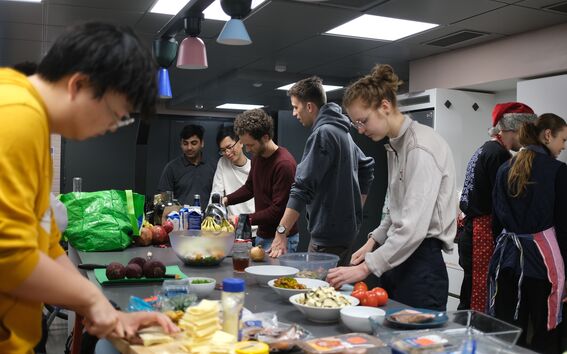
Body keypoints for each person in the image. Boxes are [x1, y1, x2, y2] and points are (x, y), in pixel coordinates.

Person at [0, 22, 178, 353]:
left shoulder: (34, 126)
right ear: (79, 84)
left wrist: (102, 306)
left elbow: (46, 246)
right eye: (115, 114)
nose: (112, 127)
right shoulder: (14, 115)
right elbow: (7, 253)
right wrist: (90, 300)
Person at [326, 64, 457, 311]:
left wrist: (365, 268)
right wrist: (373, 241)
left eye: (363, 121)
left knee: (416, 347)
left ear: (384, 107)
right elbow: (397, 210)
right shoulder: (397, 145)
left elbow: (412, 228)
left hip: (421, 264)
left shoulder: (420, 148)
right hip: (398, 258)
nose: (361, 130)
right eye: (357, 125)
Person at [269, 76, 375, 266]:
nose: (294, 113)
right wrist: (353, 212)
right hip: (344, 235)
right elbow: (366, 168)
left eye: (296, 107)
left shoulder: (323, 133)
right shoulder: (342, 132)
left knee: (317, 291)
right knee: (332, 290)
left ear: (309, 107)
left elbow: (302, 188)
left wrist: (281, 232)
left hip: (326, 239)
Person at [488, 114, 567, 354]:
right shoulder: (558, 171)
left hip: (508, 262)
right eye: (563, 139)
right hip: (542, 267)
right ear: (547, 136)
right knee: (544, 336)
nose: (563, 146)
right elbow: (564, 227)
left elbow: (496, 222)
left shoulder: (505, 169)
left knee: (511, 335)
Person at [458, 102, 537, 312]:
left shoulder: (485, 148)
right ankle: (471, 341)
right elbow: (502, 201)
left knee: (469, 295)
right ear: (517, 129)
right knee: (478, 300)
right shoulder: (499, 155)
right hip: (481, 233)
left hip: (472, 230)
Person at [222, 109, 299, 251]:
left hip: (282, 239)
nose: (247, 149)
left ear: (265, 137)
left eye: (250, 145)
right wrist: (226, 200)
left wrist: (242, 219)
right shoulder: (258, 157)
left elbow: (278, 211)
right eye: (245, 144)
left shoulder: (284, 164)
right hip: (262, 235)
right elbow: (250, 188)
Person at [158, 124, 215, 208]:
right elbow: (164, 199)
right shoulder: (171, 168)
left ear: (202, 143)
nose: (189, 147)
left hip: (208, 219)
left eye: (194, 143)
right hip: (179, 218)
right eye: (185, 143)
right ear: (181, 144)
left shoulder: (214, 166)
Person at [210, 124, 255, 218]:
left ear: (241, 142)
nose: (227, 153)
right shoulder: (223, 162)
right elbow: (216, 193)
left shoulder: (254, 167)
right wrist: (210, 215)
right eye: (223, 150)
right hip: (232, 225)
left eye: (230, 147)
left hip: (253, 223)